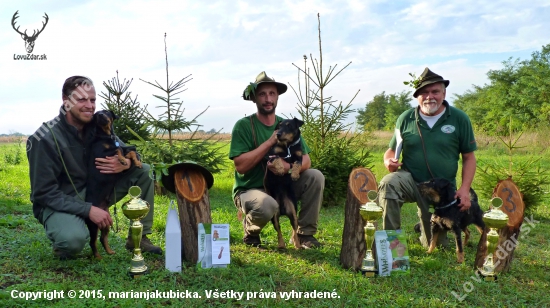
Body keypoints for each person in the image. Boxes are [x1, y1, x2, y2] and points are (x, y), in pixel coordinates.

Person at [27, 75, 162, 259]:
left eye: (93, 100)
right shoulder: (45, 138)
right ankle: (66, 233)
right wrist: (88, 210)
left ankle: (139, 237)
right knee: (72, 241)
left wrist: (127, 163)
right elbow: (43, 193)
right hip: (62, 199)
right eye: (82, 100)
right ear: (66, 101)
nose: (90, 106)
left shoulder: (98, 124)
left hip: (96, 190)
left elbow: (128, 150)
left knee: (144, 170)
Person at [377, 68, 477, 248]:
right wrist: (388, 161)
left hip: (441, 189)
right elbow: (391, 150)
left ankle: (424, 225)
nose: (429, 96)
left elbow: (469, 157)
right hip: (410, 181)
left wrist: (464, 189)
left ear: (444, 93)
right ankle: (391, 247)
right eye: (424, 92)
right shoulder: (406, 118)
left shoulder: (459, 118)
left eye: (435, 92)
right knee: (388, 183)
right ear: (417, 96)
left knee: (436, 246)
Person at [229, 71, 325, 249]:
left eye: (272, 93)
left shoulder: (287, 124)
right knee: (267, 204)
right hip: (252, 189)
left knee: (315, 176)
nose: (268, 99)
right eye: (262, 94)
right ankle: (251, 232)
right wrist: (271, 141)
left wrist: (288, 167)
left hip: (283, 185)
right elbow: (241, 166)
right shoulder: (243, 126)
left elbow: (306, 160)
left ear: (277, 97)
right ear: (254, 98)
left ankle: (305, 235)